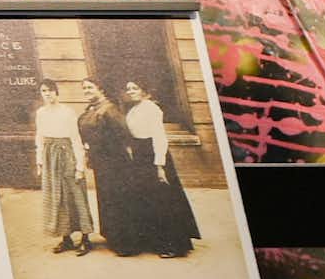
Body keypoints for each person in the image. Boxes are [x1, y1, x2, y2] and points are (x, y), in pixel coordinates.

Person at [98, 77, 199, 257]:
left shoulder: (152, 109)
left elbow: (159, 137)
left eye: (135, 88)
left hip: (153, 156)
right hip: (139, 157)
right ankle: (154, 240)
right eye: (128, 88)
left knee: (162, 200)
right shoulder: (134, 109)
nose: (130, 91)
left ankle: (173, 245)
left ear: (145, 91)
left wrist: (160, 166)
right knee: (146, 198)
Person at [32, 77, 92, 255]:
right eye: (43, 91)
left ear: (56, 92)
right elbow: (39, 137)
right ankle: (66, 238)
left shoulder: (67, 112)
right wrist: (40, 161)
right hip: (50, 157)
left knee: (76, 195)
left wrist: (80, 166)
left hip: (67, 155)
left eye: (50, 90)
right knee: (56, 197)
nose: (47, 94)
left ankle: (85, 239)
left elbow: (75, 138)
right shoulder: (41, 113)